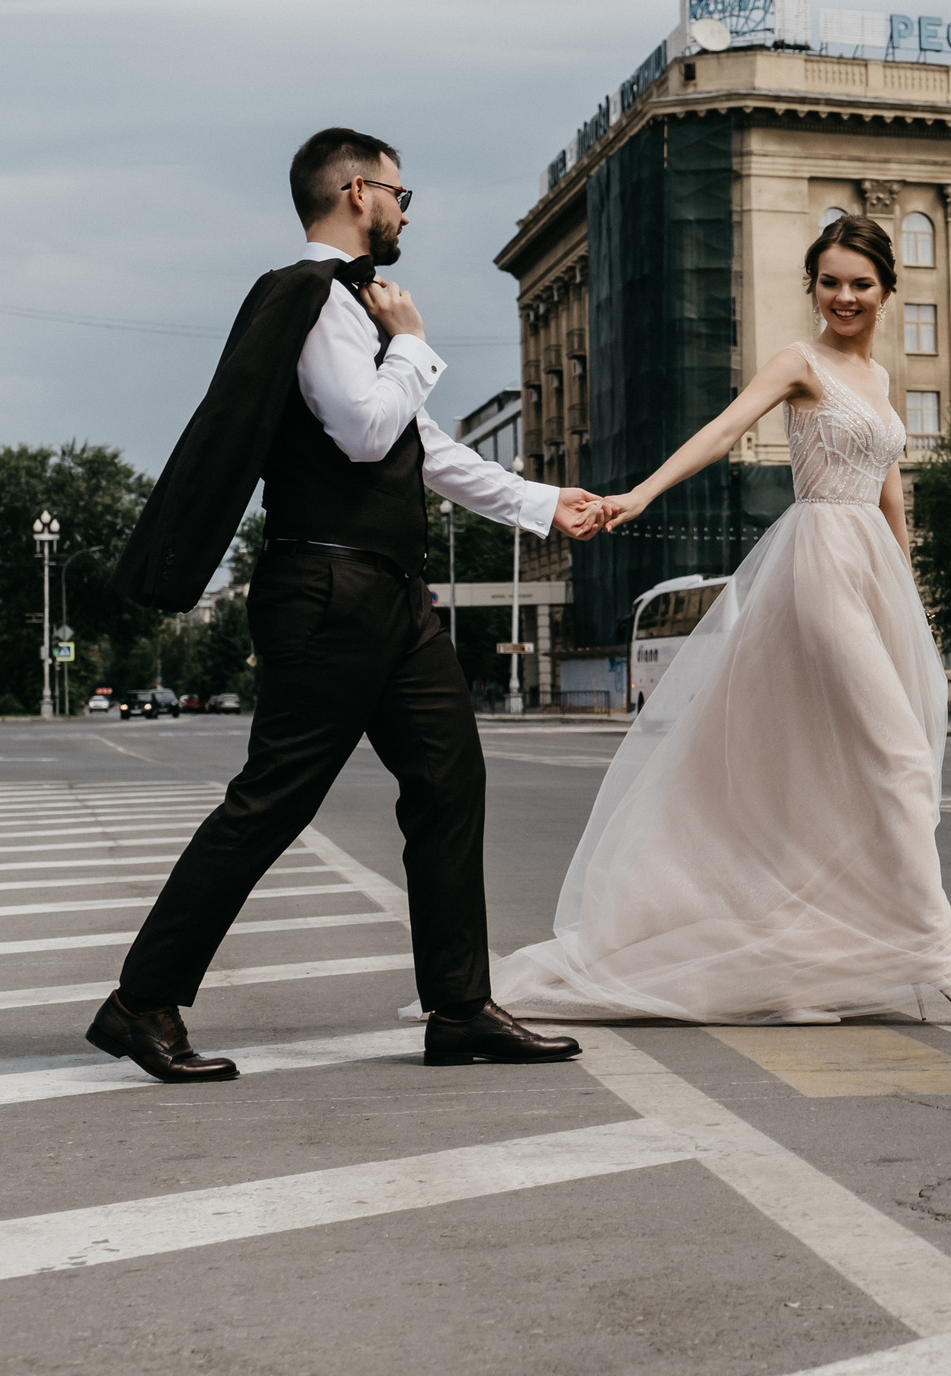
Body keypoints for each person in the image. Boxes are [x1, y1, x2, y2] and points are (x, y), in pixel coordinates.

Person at [89, 127, 609, 1083]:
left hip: (392, 596)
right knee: (272, 802)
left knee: (450, 782)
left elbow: (427, 453)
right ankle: (141, 1001)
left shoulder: (357, 308)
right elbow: (368, 433)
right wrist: (412, 343)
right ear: (360, 191)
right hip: (327, 591)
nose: (408, 212)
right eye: (402, 195)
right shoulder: (315, 297)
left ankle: (458, 1009)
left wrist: (543, 505)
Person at [492, 215, 951, 1023]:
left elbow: (889, 487)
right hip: (818, 562)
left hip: (873, 569)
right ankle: (946, 962)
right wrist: (640, 493)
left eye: (860, 283)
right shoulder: (797, 362)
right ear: (813, 286)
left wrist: (908, 589)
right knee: (900, 761)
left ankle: (798, 969)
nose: (843, 296)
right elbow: (725, 429)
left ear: (886, 290)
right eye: (830, 281)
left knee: (823, 778)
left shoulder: (882, 378)